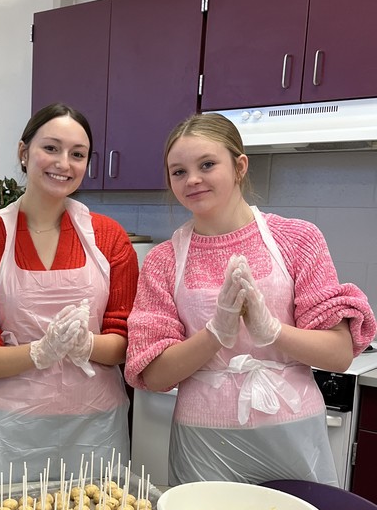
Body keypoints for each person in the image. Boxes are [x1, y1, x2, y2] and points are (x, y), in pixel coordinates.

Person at [125, 112, 376, 486]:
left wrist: (272, 331)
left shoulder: (298, 240)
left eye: (207, 164)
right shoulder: (163, 260)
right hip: (204, 442)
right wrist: (214, 333)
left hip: (292, 432)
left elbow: (339, 354)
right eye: (178, 172)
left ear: (240, 165)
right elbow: (154, 374)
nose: (192, 179)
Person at [0, 103, 139, 485]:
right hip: (15, 430)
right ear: (24, 153)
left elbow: (127, 342)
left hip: (96, 425)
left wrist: (85, 345)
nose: (63, 163)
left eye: (78, 154)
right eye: (50, 148)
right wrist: (39, 352)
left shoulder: (109, 238)